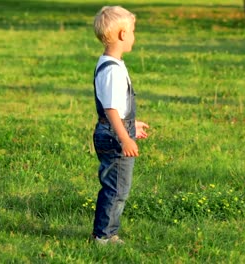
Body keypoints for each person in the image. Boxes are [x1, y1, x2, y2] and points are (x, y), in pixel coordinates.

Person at [91, 6, 149, 245]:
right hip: (114, 135)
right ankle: (103, 235)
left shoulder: (108, 62)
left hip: (112, 129)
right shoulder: (113, 70)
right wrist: (125, 137)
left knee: (116, 187)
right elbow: (111, 109)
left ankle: (107, 232)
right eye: (133, 31)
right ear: (123, 34)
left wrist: (131, 124)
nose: (134, 36)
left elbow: (113, 105)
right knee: (116, 189)